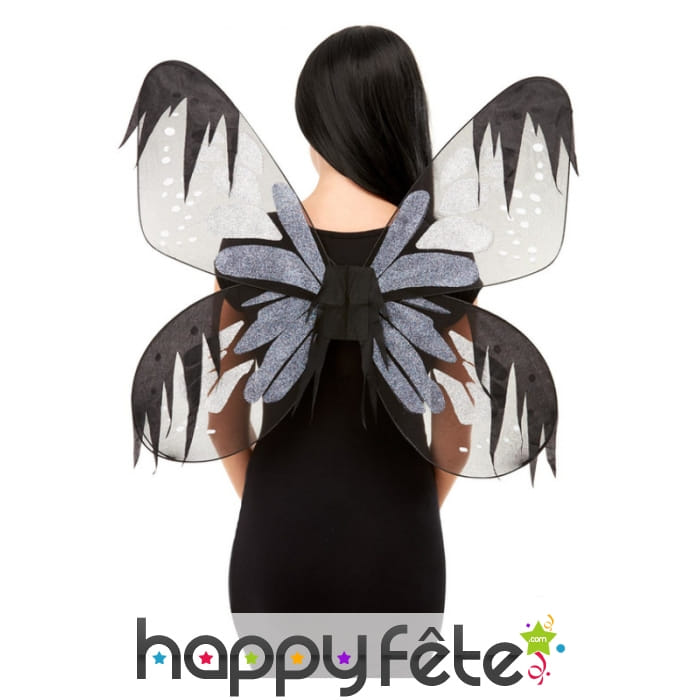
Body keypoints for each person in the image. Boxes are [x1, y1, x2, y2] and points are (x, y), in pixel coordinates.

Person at [212, 25, 480, 617]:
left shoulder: (250, 250)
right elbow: (459, 430)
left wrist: (271, 506)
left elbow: (220, 414)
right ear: (403, 117)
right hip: (399, 545)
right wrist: (404, 514)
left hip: (273, 542)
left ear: (312, 122)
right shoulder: (441, 255)